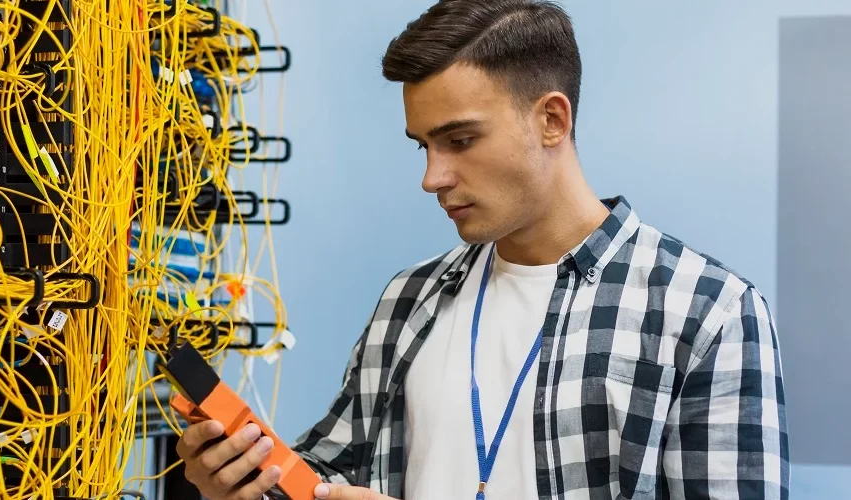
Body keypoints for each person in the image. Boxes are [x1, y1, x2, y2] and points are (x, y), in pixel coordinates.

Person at [174, 1, 790, 499]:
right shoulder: (409, 299)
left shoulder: (706, 313)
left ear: (552, 120)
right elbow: (329, 472)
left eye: (461, 140)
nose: (432, 177)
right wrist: (246, 480)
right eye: (423, 146)